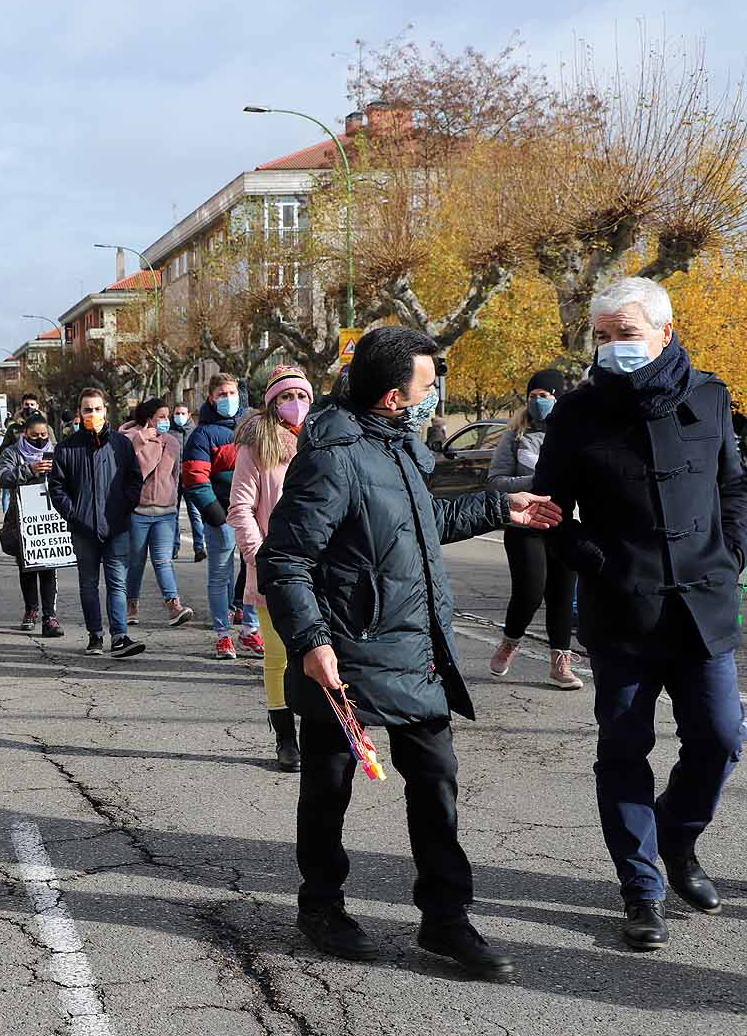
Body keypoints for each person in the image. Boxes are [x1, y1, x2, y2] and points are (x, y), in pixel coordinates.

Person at [258, 327, 561, 979]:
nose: (433, 399)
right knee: (328, 785)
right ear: (396, 396)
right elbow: (282, 556)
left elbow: (424, 524)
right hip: (345, 652)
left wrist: (500, 507)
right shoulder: (335, 456)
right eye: (427, 389)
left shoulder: (401, 449)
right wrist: (311, 643)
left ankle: (445, 919)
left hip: (415, 649)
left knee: (435, 782)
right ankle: (321, 905)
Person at [534, 276, 747, 951]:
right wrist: (594, 559)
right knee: (624, 750)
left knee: (720, 736)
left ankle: (676, 838)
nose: (613, 347)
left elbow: (734, 485)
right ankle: (642, 888)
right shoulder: (575, 414)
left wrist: (733, 553)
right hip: (621, 610)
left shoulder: (711, 398)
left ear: (664, 333)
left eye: (625, 334)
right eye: (602, 336)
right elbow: (549, 513)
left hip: (702, 608)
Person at [228, 366, 314, 772]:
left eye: (301, 396)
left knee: (319, 653)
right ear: (272, 403)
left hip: (319, 569)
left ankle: (321, 730)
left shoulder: (321, 442)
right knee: (278, 656)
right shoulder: (256, 448)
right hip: (273, 567)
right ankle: (286, 739)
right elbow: (240, 508)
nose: (294, 404)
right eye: (285, 397)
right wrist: (257, 554)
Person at [486, 369, 580, 689]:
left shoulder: (573, 435)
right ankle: (510, 641)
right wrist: (535, 481)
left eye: (545, 395)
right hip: (525, 524)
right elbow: (495, 482)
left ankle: (560, 662)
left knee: (562, 595)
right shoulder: (515, 436)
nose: (538, 401)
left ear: (559, 398)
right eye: (533, 396)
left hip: (565, 524)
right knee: (530, 591)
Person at [49, 388, 147, 658]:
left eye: (97, 409)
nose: (93, 414)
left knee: (117, 583)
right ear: (79, 414)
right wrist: (74, 513)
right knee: (88, 584)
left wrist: (124, 507)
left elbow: (134, 480)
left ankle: (120, 636)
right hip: (83, 530)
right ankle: (95, 635)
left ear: (106, 410)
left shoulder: (121, 444)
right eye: (87, 409)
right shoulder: (67, 448)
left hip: (116, 527)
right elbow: (57, 488)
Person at [184, 373, 261, 659]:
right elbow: (194, 478)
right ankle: (222, 635)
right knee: (220, 574)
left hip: (253, 514)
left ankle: (250, 631)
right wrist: (216, 516)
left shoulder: (253, 428)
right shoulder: (202, 435)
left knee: (255, 573)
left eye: (232, 393)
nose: (228, 398)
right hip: (222, 517)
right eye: (221, 394)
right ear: (211, 398)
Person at [121, 397, 195, 626]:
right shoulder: (130, 439)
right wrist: (143, 442)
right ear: (148, 419)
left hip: (165, 511)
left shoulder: (172, 441)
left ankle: (174, 605)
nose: (167, 421)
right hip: (138, 512)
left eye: (168, 416)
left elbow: (174, 475)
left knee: (163, 560)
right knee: (135, 561)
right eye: (161, 417)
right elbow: (133, 472)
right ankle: (131, 603)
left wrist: (171, 496)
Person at [0, 412, 63, 637]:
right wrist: (29, 470)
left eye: (44, 435)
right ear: (25, 433)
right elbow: (3, 477)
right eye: (35, 435)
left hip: (50, 518)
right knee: (27, 568)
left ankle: (50, 617)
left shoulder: (56, 451)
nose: (40, 439)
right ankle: (31, 610)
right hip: (22, 518)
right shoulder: (12, 453)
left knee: (48, 567)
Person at [167, 402, 205, 562]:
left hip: (191, 478)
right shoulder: (169, 432)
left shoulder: (196, 431)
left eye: (183, 413)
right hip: (173, 479)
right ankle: (174, 548)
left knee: (195, 514)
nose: (180, 416)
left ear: (189, 415)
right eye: (177, 413)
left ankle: (199, 548)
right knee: (173, 514)